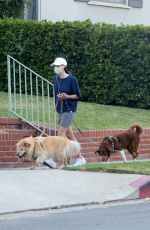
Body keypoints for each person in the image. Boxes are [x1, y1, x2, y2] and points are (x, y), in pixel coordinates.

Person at [44, 57, 86, 168]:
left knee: (60, 134)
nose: (56, 68)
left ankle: (54, 160)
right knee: (70, 136)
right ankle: (80, 158)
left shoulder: (72, 79)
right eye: (55, 66)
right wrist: (59, 97)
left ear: (64, 66)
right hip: (60, 109)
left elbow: (78, 95)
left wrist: (67, 96)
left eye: (58, 66)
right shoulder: (56, 79)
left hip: (69, 110)